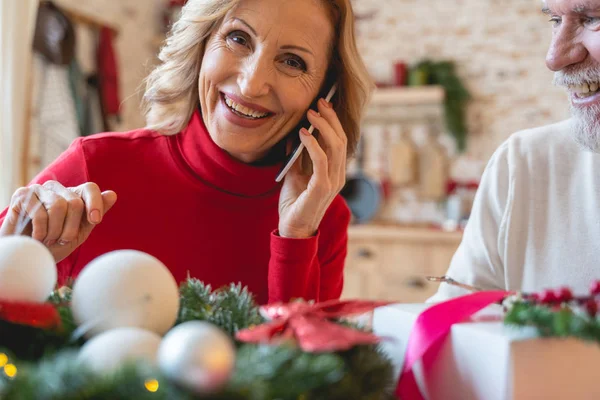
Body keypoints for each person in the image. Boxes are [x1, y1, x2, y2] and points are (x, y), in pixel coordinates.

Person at [0, 0, 373, 305]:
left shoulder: (323, 220)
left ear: (325, 96)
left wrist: (296, 239)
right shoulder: (95, 165)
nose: (251, 83)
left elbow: (302, 383)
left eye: (293, 62)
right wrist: (24, 256)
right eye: (239, 38)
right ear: (202, 44)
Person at [430, 0, 600, 301]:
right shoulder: (525, 165)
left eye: (591, 18)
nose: (555, 57)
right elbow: (449, 327)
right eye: (555, 21)